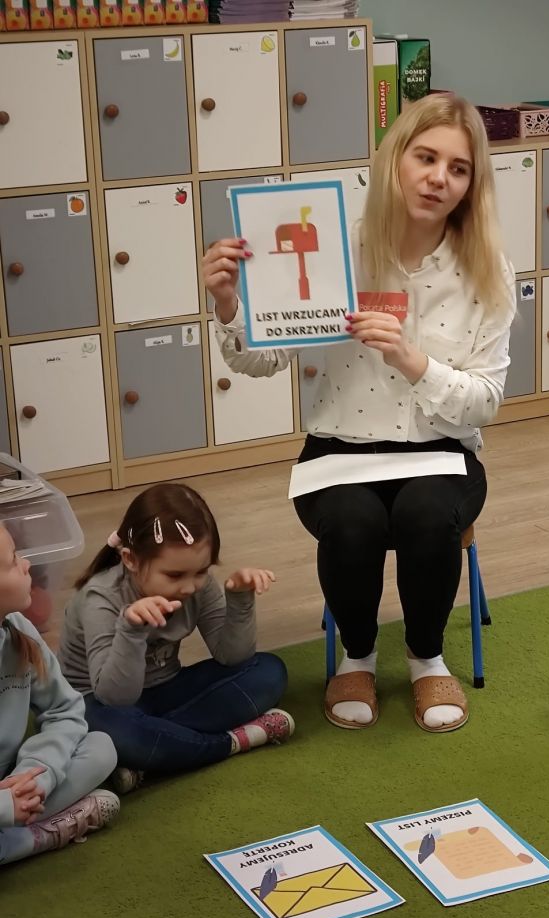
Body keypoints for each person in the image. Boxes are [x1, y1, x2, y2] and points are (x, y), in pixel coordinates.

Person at [202, 93, 515, 733]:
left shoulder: (487, 271)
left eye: (458, 168)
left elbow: (485, 401)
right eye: (426, 157)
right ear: (395, 159)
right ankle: (358, 655)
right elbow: (263, 360)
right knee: (351, 520)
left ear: (471, 184)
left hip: (441, 451)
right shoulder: (334, 248)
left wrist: (413, 360)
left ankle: (426, 658)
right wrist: (231, 304)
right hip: (339, 448)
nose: (439, 178)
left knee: (427, 515)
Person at [58, 482, 293, 794]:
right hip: (101, 703)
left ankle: (157, 752)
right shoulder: (100, 598)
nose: (190, 586)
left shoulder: (197, 583)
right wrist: (131, 629)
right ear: (130, 559)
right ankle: (231, 742)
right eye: (174, 575)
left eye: (201, 571)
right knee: (115, 733)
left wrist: (240, 599)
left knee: (269, 671)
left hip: (165, 690)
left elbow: (232, 657)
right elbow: (115, 697)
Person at [0, 523, 119, 866]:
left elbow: (65, 710)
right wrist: (5, 806)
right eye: (13, 560)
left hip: (16, 778)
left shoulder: (19, 629)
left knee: (102, 748)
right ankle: (32, 837)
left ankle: (20, 826)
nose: (27, 565)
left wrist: (38, 774)